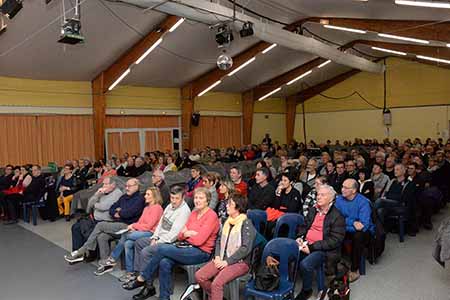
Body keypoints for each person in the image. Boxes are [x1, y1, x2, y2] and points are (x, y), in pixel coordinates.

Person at [128, 188, 220, 300]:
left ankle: (142, 277)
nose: (197, 200)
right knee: (164, 262)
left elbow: (199, 241)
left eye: (201, 198)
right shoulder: (194, 213)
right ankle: (164, 297)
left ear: (208, 200)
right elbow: (180, 235)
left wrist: (187, 234)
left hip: (201, 252)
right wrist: (188, 234)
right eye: (196, 197)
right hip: (185, 247)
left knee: (162, 249)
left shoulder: (211, 216)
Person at [123, 185, 191, 298]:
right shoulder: (169, 206)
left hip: (169, 243)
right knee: (138, 243)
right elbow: (160, 224)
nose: (173, 201)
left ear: (183, 197)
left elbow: (173, 235)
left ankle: (147, 285)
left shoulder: (184, 211)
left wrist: (158, 241)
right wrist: (154, 237)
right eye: (172, 198)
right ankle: (143, 278)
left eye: (176, 198)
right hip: (159, 238)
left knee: (146, 252)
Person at [64, 178, 145, 263]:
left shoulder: (139, 199)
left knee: (100, 225)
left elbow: (128, 213)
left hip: (127, 226)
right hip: (116, 223)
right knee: (101, 236)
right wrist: (117, 210)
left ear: (137, 186)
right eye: (126, 186)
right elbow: (111, 209)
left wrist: (119, 212)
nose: (127, 188)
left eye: (129, 186)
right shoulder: (124, 197)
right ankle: (105, 262)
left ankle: (82, 251)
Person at [195, 193, 256, 300]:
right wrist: (218, 256)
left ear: (238, 207)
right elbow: (219, 240)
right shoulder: (227, 222)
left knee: (216, 284)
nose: (227, 206)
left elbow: (245, 248)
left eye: (230, 204)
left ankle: (215, 295)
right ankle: (216, 296)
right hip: (222, 258)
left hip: (240, 262)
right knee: (200, 276)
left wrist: (227, 262)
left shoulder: (246, 224)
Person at [95, 187, 164, 276]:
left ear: (154, 196)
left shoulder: (157, 208)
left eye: (148, 194)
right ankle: (130, 272)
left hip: (151, 233)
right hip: (142, 230)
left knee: (126, 234)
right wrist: (134, 227)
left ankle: (112, 258)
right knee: (128, 243)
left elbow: (149, 226)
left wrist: (134, 226)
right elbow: (140, 222)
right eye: (146, 194)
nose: (145, 196)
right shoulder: (146, 208)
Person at [295, 185, 345, 300]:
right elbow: (304, 226)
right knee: (287, 253)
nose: (318, 197)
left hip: (323, 249)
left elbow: (335, 240)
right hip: (306, 243)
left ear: (331, 199)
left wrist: (312, 247)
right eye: (318, 194)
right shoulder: (313, 210)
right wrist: (299, 237)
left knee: (305, 264)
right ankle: (286, 286)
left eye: (323, 195)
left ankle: (307, 290)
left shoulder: (337, 216)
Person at [335, 179, 374, 282]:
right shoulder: (338, 200)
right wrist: (352, 222)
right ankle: (334, 265)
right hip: (347, 228)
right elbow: (336, 219)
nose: (342, 189)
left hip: (363, 232)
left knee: (358, 236)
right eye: (342, 186)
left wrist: (344, 223)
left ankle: (354, 269)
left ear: (354, 190)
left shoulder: (363, 202)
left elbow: (363, 226)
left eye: (346, 188)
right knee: (333, 230)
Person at [71, 176, 123, 251]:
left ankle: (89, 252)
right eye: (103, 184)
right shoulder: (102, 192)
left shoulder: (117, 193)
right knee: (75, 227)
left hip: (106, 221)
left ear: (113, 185)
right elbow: (89, 204)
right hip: (94, 219)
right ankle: (77, 251)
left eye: (106, 184)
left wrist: (95, 205)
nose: (103, 186)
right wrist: (96, 194)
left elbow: (103, 207)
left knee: (86, 229)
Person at [375, 164, 417, 235]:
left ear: (403, 171)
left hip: (400, 205)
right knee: (380, 210)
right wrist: (391, 196)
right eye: (394, 169)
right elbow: (388, 194)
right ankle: (380, 230)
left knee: (380, 200)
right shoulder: (393, 182)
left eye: (397, 169)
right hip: (390, 203)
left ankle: (369, 222)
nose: (395, 171)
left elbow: (404, 197)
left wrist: (390, 197)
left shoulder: (409, 183)